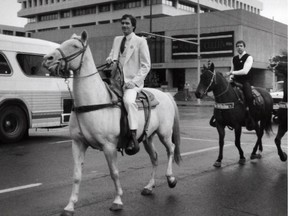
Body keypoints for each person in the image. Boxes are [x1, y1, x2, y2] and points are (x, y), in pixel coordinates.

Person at [106, 14, 151, 154]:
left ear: (133, 26)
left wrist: (133, 82)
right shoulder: (117, 39)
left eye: (127, 23)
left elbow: (146, 66)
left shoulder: (140, 41)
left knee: (128, 101)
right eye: (122, 23)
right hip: (116, 80)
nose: (124, 25)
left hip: (132, 82)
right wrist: (109, 59)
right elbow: (113, 55)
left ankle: (133, 136)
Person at [226, 40, 255, 130]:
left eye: (241, 46)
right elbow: (232, 70)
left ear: (244, 47)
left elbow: (245, 71)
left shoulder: (249, 57)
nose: (239, 47)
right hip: (235, 81)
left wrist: (231, 73)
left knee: (249, 97)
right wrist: (230, 78)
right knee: (224, 93)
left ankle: (251, 118)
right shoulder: (234, 58)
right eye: (237, 46)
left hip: (245, 81)